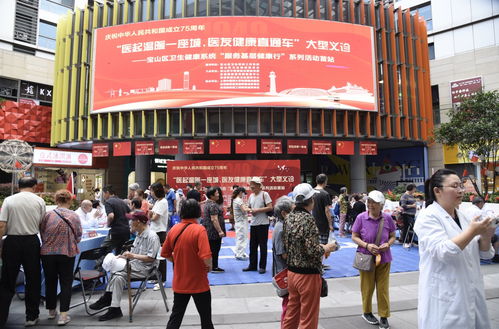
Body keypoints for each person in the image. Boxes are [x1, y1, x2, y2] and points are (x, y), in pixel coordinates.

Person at [414, 169, 495, 329]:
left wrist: (486, 235)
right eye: (455, 186)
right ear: (437, 191)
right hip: (446, 297)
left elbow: (485, 254)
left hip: (470, 291)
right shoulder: (428, 217)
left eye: (461, 186)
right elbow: (443, 252)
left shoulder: (463, 216)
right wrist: (472, 231)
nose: (461, 191)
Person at [282, 183, 337, 329]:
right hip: (308, 275)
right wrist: (327, 247)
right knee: (308, 318)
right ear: (311, 199)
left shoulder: (289, 218)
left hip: (292, 272)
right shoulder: (308, 220)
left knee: (292, 313)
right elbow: (312, 251)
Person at [89, 212, 160, 321]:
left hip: (147, 268)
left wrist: (132, 255)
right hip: (134, 265)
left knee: (116, 272)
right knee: (117, 275)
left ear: (139, 222)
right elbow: (133, 255)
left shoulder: (152, 236)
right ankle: (114, 307)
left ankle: (108, 299)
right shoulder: (139, 235)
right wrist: (123, 257)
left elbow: (151, 258)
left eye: (132, 220)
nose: (130, 223)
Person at [0, 177, 46, 327]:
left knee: (7, 280)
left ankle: (2, 317)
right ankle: (31, 317)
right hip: (31, 242)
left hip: (12, 241)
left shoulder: (9, 200)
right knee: (33, 279)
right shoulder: (39, 201)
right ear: (34, 186)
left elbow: (2, 225)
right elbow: (41, 225)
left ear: (19, 186)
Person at [161, 199, 214, 329]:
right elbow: (206, 256)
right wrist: (209, 266)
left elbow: (165, 253)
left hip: (180, 282)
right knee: (206, 319)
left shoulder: (174, 229)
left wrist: (176, 260)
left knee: (175, 317)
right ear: (197, 212)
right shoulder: (199, 230)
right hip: (199, 282)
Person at [351, 190, 396, 329]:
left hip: (384, 258)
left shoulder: (387, 218)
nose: (371, 205)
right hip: (366, 257)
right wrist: (367, 245)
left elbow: (393, 235)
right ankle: (367, 312)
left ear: (381, 205)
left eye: (374, 203)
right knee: (367, 287)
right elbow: (354, 236)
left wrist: (387, 244)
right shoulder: (361, 218)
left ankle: (384, 316)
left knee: (383, 289)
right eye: (369, 202)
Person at [40, 189, 82, 325]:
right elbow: (79, 235)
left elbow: (42, 231)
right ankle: (63, 316)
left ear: (56, 200)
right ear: (70, 200)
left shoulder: (48, 215)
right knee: (65, 283)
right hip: (66, 252)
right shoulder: (74, 216)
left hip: (47, 253)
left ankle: (52, 310)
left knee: (50, 281)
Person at [243, 177, 273, 274]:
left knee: (263, 246)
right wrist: (248, 209)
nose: (252, 187)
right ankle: (252, 265)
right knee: (252, 246)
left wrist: (257, 210)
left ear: (259, 186)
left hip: (263, 223)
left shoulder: (265, 194)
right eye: (251, 185)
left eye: (254, 185)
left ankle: (262, 266)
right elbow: (249, 207)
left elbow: (270, 207)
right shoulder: (251, 196)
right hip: (254, 223)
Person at [272, 196, 294, 325]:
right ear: (284, 213)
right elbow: (283, 254)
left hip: (285, 271)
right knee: (288, 306)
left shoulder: (283, 225)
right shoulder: (281, 228)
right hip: (284, 272)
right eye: (292, 211)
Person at [148, 182, 169, 291]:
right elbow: (152, 214)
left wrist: (150, 215)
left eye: (152, 190)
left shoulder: (163, 202)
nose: (151, 193)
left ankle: (162, 280)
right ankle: (156, 277)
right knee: (154, 256)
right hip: (155, 231)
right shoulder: (158, 201)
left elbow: (154, 217)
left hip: (160, 232)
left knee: (161, 257)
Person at [202, 187, 226, 273]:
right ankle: (214, 266)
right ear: (211, 196)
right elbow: (214, 219)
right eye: (216, 193)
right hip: (213, 231)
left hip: (208, 230)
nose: (218, 194)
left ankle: (211, 265)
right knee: (215, 249)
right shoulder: (213, 205)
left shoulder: (207, 203)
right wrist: (220, 231)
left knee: (211, 249)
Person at [102, 185, 131, 255]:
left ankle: (101, 265)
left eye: (103, 194)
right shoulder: (122, 201)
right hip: (126, 230)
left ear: (107, 193)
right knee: (121, 252)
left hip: (116, 231)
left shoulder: (108, 202)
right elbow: (130, 214)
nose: (103, 196)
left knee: (103, 249)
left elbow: (111, 216)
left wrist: (108, 224)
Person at [312, 174, 333, 269]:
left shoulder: (311, 192)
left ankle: (317, 264)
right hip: (322, 223)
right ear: (325, 181)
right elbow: (327, 210)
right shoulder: (325, 194)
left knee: (314, 243)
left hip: (312, 221)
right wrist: (330, 224)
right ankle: (318, 265)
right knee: (322, 245)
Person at [232, 187, 250, 260]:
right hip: (241, 222)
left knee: (240, 238)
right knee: (242, 238)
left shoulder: (236, 200)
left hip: (239, 222)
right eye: (243, 193)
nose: (244, 195)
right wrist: (253, 209)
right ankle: (240, 254)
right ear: (240, 192)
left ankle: (239, 253)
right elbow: (244, 209)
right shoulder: (239, 200)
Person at [400, 184, 417, 248]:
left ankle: (410, 242)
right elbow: (403, 205)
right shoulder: (404, 196)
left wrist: (415, 207)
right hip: (406, 214)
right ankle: (405, 242)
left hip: (412, 214)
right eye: (414, 189)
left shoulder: (411, 195)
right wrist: (412, 206)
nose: (415, 190)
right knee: (406, 228)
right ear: (411, 189)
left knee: (411, 228)